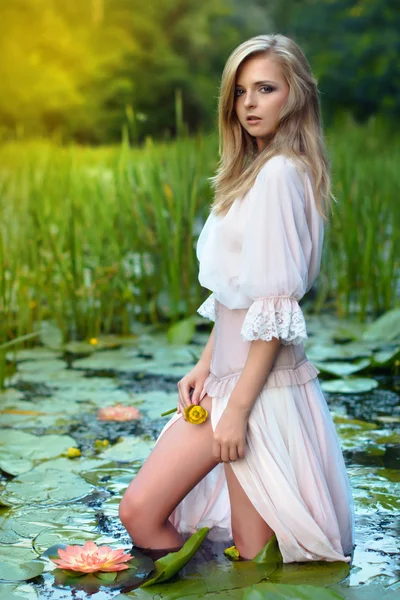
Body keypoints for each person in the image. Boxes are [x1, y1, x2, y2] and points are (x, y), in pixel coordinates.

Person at [119, 33, 355, 564]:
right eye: (241, 90)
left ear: (295, 96)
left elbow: (275, 310)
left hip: (258, 392)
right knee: (141, 511)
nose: (249, 103)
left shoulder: (279, 175)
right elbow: (237, 295)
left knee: (256, 559)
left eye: (266, 88)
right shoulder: (251, 172)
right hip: (224, 382)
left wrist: (239, 412)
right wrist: (205, 364)